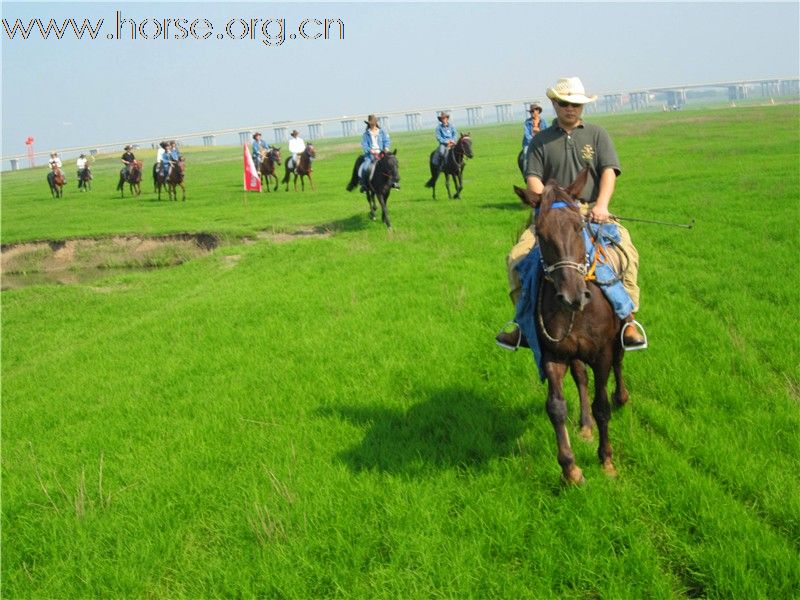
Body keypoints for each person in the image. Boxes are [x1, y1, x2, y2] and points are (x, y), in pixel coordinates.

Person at [496, 76, 646, 350]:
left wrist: (601, 205)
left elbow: (609, 172)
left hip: (590, 210)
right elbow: (533, 179)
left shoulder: (597, 134)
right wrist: (547, 207)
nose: (570, 109)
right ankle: (523, 325)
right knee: (516, 257)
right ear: (554, 103)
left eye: (576, 104)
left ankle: (628, 320)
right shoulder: (540, 141)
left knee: (626, 250)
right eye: (565, 103)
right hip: (550, 213)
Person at [358, 114, 391, 191]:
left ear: (376, 122)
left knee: (391, 165)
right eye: (371, 123)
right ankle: (364, 185)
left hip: (382, 153)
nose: (373, 124)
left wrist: (386, 147)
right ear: (369, 124)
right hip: (370, 155)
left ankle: (393, 182)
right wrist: (370, 150)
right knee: (365, 167)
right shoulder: (366, 134)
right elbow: (364, 145)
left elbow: (386, 141)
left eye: (374, 122)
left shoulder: (382, 131)